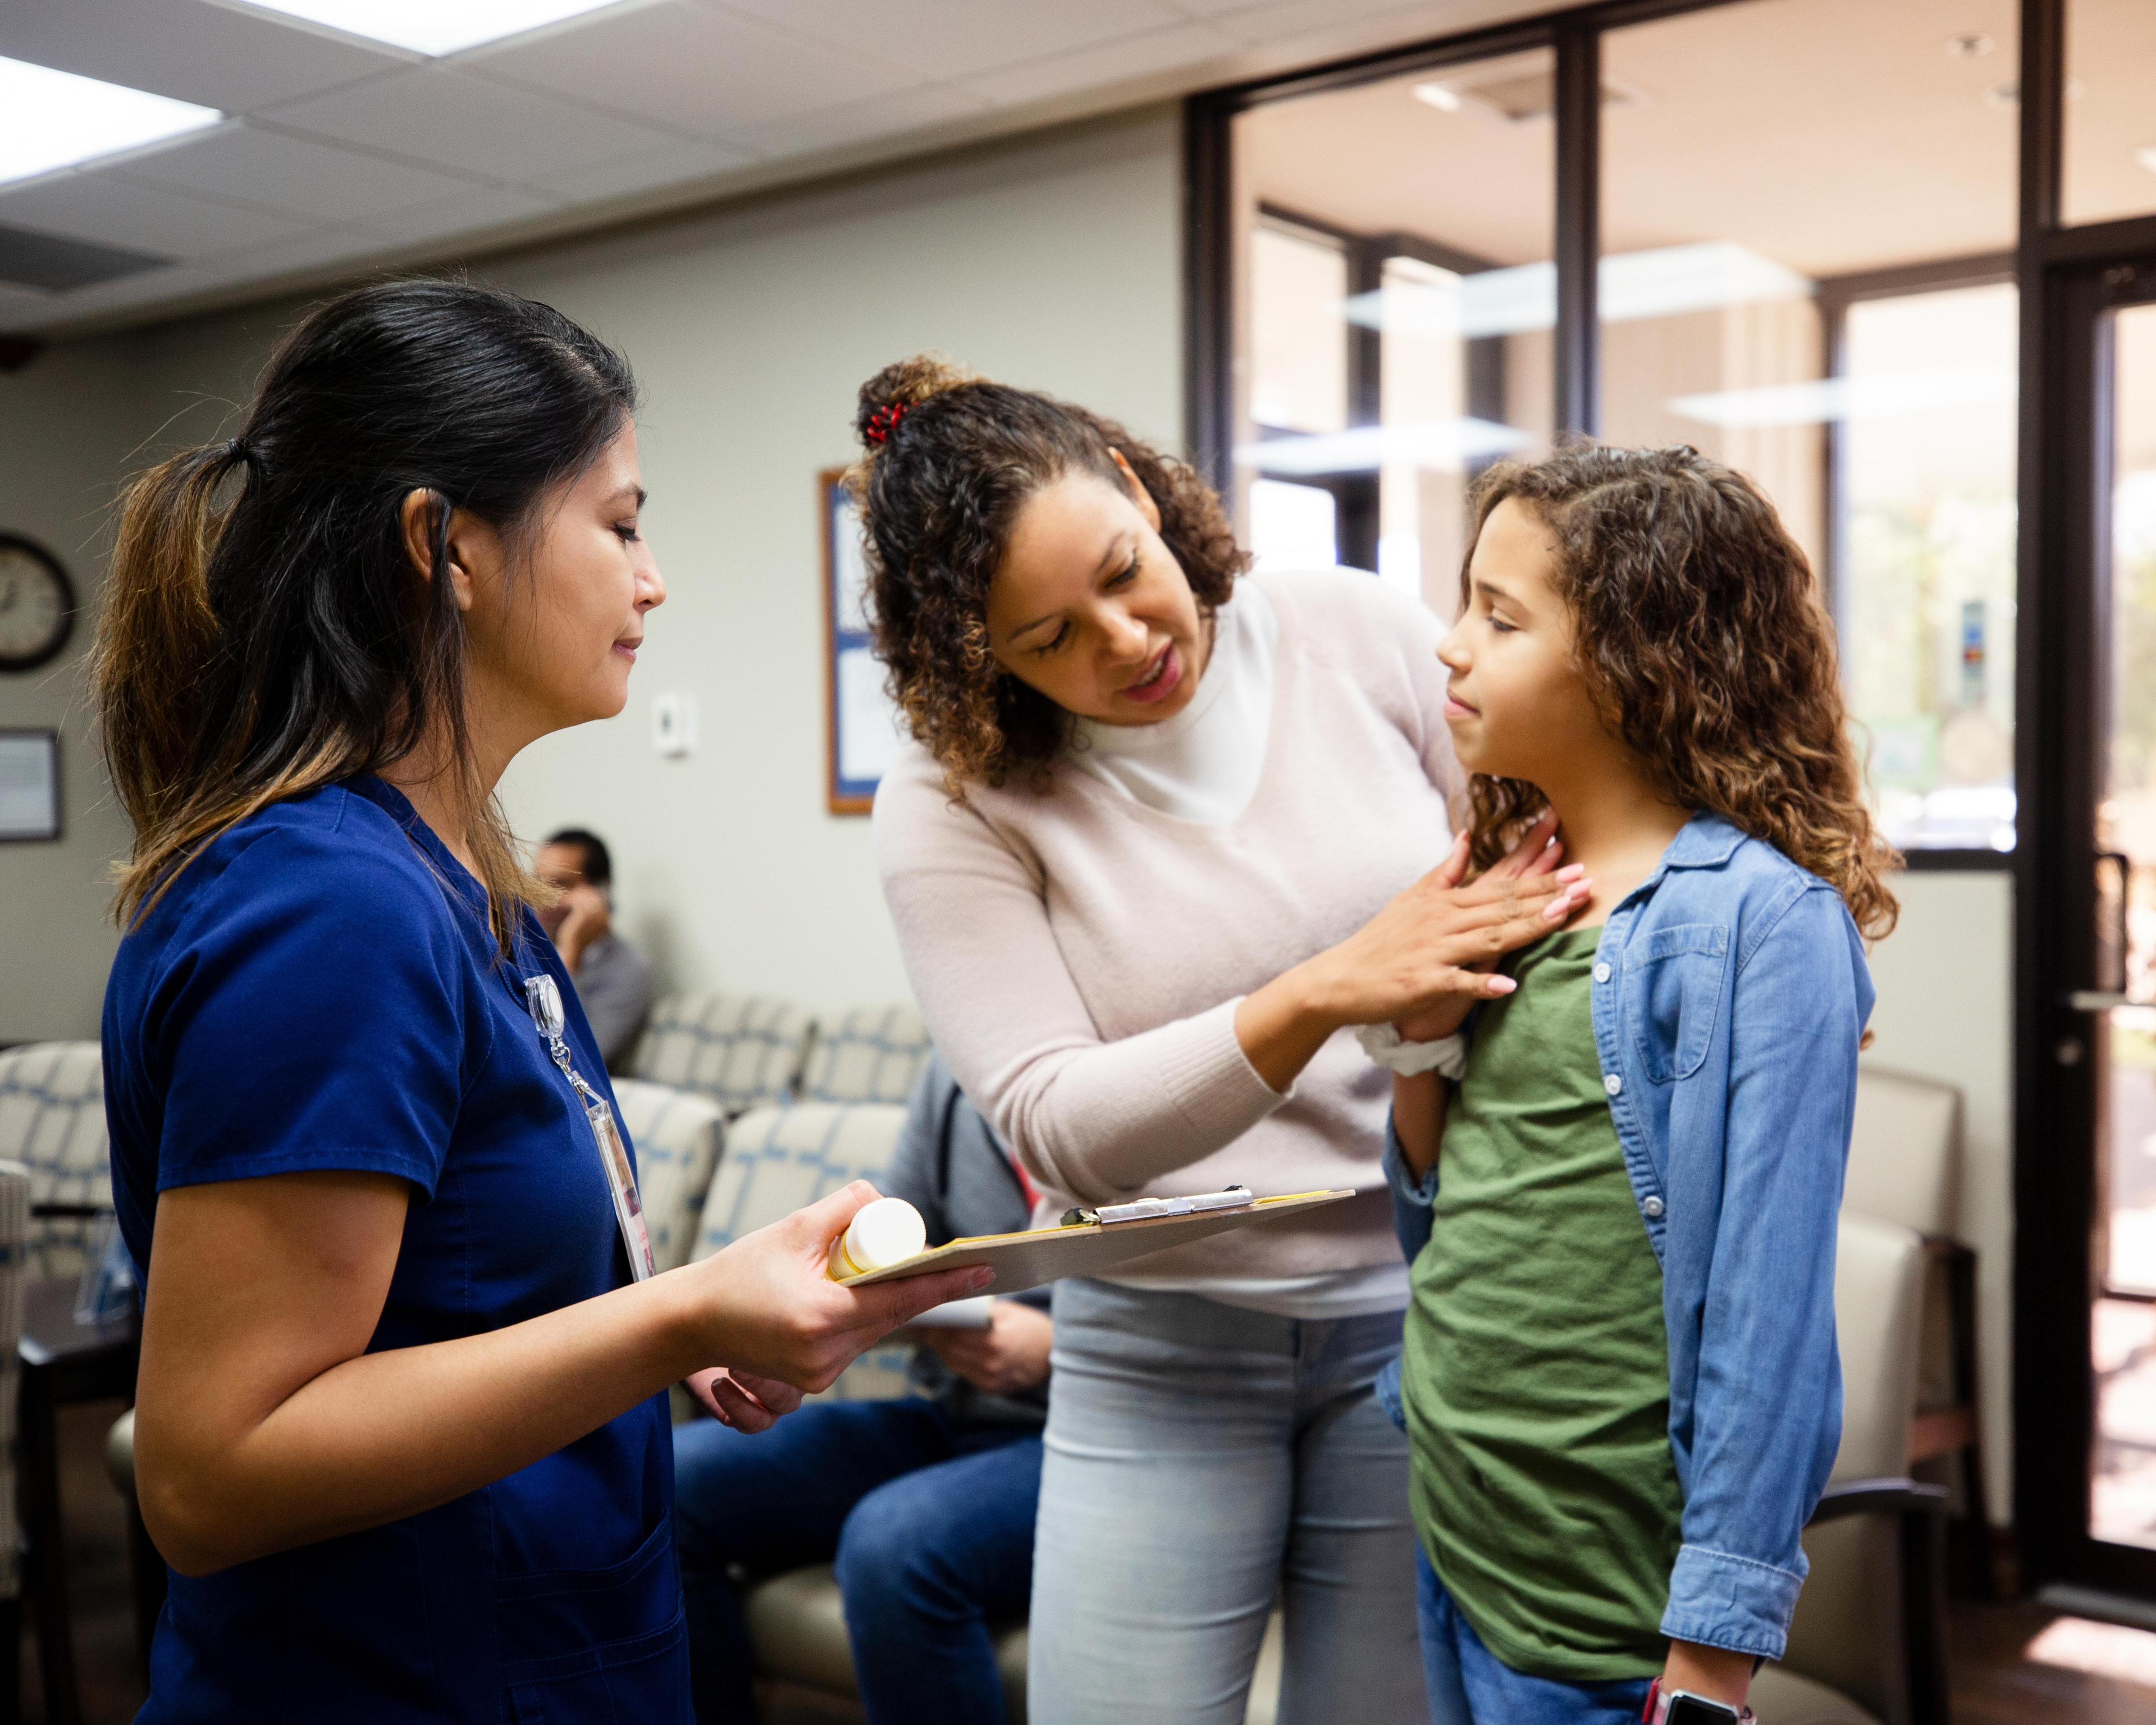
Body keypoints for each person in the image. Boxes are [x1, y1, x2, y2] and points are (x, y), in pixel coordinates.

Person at [94, 280, 986, 1724]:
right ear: (444, 544)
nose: (653, 578)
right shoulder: (331, 907)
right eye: (621, 523)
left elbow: (458, 1298)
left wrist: (681, 1322)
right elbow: (213, 1468)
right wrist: (666, 1314)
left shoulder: (474, 890)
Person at [856, 354, 1590, 1725]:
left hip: (1419, 1315)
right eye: (1046, 640)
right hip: (1156, 1349)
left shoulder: (1360, 634)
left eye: (1122, 571)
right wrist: (1322, 987)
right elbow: (1056, 1119)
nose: (1125, 641)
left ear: (1137, 485)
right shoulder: (953, 799)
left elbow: (1532, 896)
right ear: (976, 658)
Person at [1380, 447, 1899, 1725]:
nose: (1450, 646)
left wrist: (1712, 1655)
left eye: (1498, 618)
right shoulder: (1507, 881)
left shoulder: (1762, 924)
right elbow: (1439, 1219)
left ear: (1636, 657)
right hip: (1457, 1535)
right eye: (1464, 602)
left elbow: (1765, 1319)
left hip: (1602, 1612)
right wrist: (1414, 1035)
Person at [673, 1053, 1048, 1724]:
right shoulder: (960, 1072)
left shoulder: (1146, 1079)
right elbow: (889, 1249)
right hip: (955, 1413)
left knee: (892, 1545)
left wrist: (1056, 1350)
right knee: (672, 1480)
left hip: (1089, 1432)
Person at [536, 827, 656, 1067]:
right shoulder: (525, 946)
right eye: (537, 882)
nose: (542, 897)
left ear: (599, 891)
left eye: (560, 884)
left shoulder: (629, 969)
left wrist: (571, 953)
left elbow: (579, 1059)